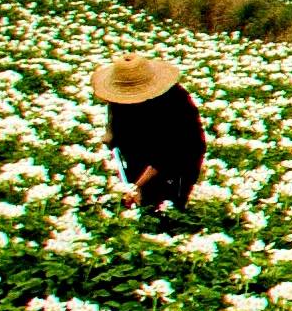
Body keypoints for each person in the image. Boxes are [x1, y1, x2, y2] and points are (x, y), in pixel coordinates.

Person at [84, 54, 204, 219]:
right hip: (141, 146)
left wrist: (138, 186)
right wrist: (110, 136)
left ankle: (167, 223)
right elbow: (114, 124)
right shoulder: (119, 98)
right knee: (134, 196)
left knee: (166, 203)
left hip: (180, 154)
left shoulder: (175, 102)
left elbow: (165, 156)